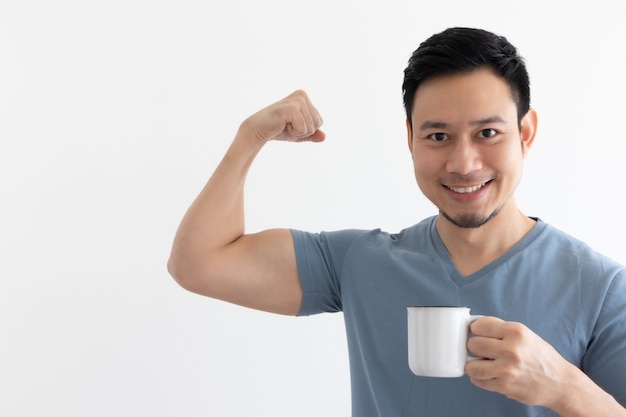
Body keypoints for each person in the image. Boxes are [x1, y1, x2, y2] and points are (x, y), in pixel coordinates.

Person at [167, 27, 626, 416]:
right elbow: (198, 263)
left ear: (525, 134)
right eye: (438, 135)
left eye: (488, 133)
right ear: (410, 139)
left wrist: (565, 388)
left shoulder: (601, 288)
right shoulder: (356, 263)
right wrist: (252, 137)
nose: (463, 163)